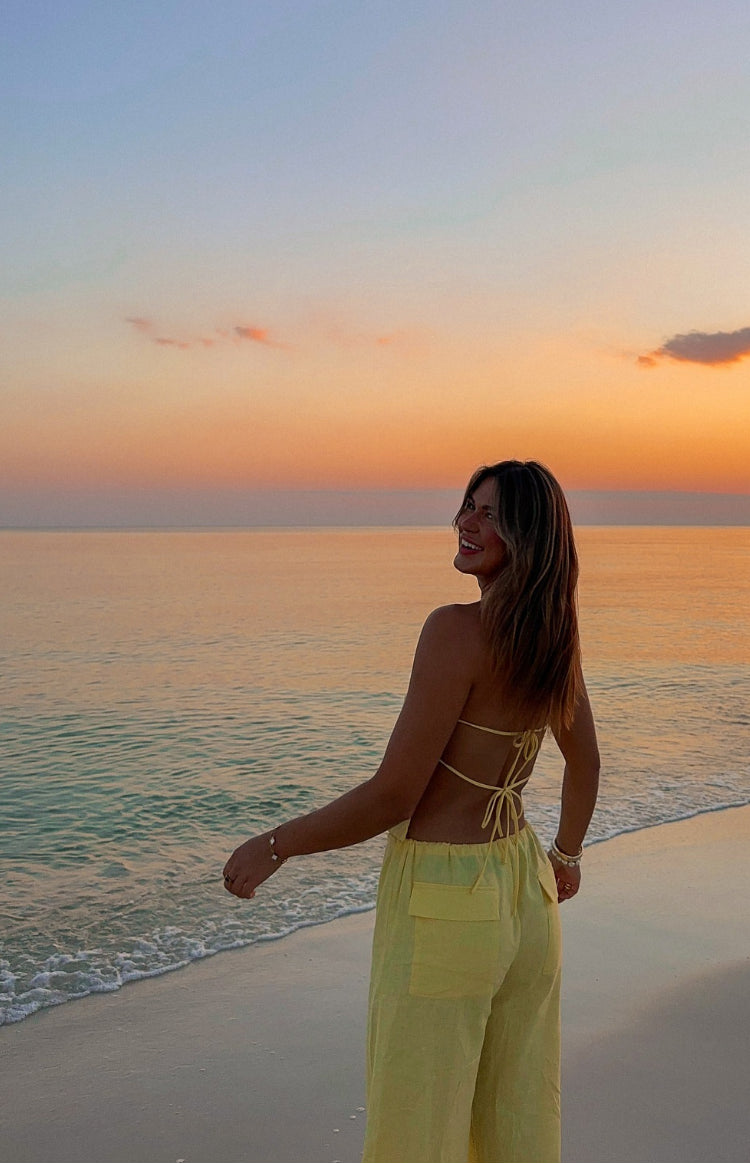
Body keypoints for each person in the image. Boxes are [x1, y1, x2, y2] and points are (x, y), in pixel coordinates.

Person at [223, 459, 600, 1163]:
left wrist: (276, 846)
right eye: (468, 505)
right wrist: (565, 856)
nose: (467, 522)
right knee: (517, 1116)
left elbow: (395, 794)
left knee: (416, 1125)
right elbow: (586, 763)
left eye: (491, 514)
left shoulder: (455, 630)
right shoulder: (553, 638)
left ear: (530, 534)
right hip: (525, 894)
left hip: (444, 899)